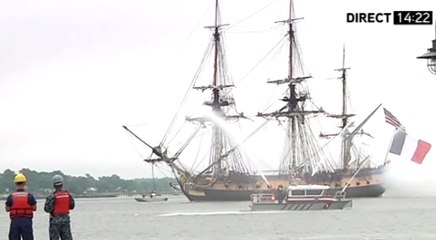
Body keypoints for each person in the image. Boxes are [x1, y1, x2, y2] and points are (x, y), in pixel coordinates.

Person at [5, 173, 37, 240]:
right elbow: (34, 208)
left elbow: (7, 209)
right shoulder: (29, 196)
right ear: (25, 183)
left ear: (16, 183)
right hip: (26, 221)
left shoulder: (11, 196)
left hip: (15, 221)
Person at [44, 175, 75, 240]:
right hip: (66, 221)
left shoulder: (52, 196)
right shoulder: (68, 195)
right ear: (62, 184)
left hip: (55, 222)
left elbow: (47, 209)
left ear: (54, 185)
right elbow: (72, 206)